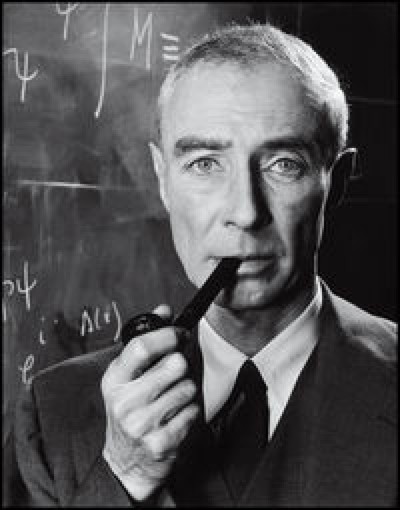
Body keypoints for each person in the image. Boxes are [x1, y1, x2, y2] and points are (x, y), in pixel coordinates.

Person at [7, 21, 397, 507]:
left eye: (283, 164)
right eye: (205, 163)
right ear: (162, 178)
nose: (245, 213)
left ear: (335, 183)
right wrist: (124, 475)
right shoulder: (53, 414)